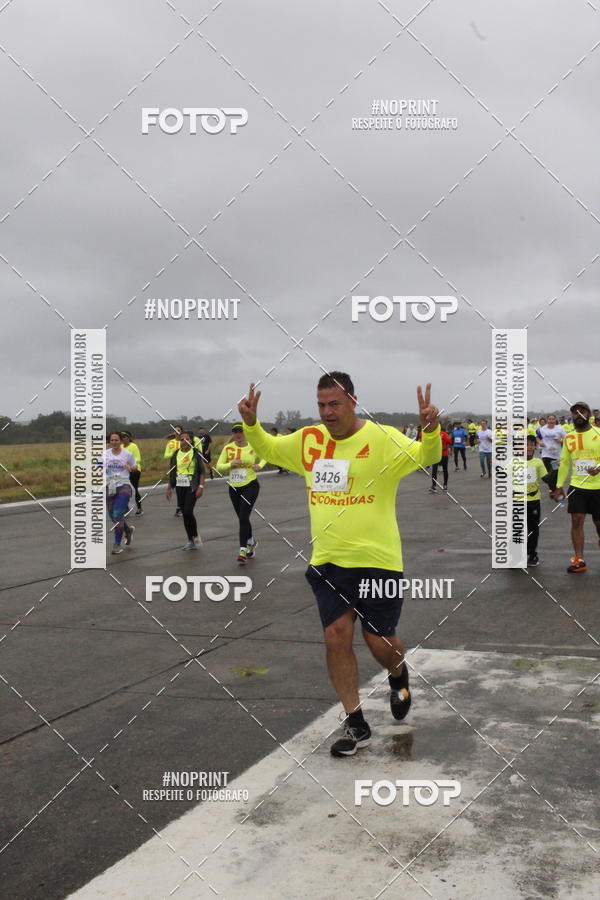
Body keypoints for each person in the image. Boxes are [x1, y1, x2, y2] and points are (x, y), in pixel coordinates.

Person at [238, 373, 441, 757]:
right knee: (336, 635)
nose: (327, 412)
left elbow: (426, 456)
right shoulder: (310, 440)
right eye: (321, 405)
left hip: (378, 561)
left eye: (334, 404)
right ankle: (356, 721)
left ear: (352, 402)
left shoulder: (380, 439)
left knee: (379, 641)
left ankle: (398, 674)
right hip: (329, 560)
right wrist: (252, 425)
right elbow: (269, 447)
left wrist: (430, 430)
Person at [552, 402, 600, 573]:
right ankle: (579, 560)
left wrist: (599, 468)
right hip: (577, 486)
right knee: (576, 520)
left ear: (588, 414)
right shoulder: (569, 437)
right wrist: (558, 486)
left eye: (582, 412)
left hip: (598, 487)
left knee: (598, 523)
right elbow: (564, 464)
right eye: (574, 413)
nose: (578, 415)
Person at [216, 424, 266, 564]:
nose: (238, 434)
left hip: (250, 485)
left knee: (244, 516)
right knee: (242, 519)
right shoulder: (228, 448)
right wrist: (230, 464)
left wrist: (259, 466)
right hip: (234, 487)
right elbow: (219, 465)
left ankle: (242, 550)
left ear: (245, 433)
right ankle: (251, 541)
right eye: (235, 432)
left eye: (240, 431)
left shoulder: (252, 446)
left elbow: (265, 457)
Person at [166, 431, 205, 549]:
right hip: (180, 486)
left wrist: (201, 487)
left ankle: (196, 536)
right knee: (184, 514)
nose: (185, 441)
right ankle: (190, 540)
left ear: (191, 440)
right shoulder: (176, 454)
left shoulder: (196, 453)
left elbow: (202, 472)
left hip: (192, 486)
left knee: (188, 511)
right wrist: (169, 487)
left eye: (187, 439)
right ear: (179, 441)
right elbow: (173, 472)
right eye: (182, 439)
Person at [99, 432, 137, 554]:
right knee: (113, 516)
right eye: (112, 440)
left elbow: (135, 466)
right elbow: (98, 466)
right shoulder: (104, 454)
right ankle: (128, 530)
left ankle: (117, 544)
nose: (114, 442)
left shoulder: (127, 454)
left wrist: (130, 468)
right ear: (109, 442)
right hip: (109, 486)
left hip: (124, 485)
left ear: (121, 441)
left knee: (118, 514)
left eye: (116, 440)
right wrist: (102, 469)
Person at [523, 435, 548, 567]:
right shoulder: (512, 462)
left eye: (531, 444)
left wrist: (556, 468)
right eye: (526, 444)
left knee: (533, 529)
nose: (529, 447)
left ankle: (532, 554)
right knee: (517, 529)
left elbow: (546, 478)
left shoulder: (538, 462)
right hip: (517, 500)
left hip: (533, 500)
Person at [120, 431, 143, 515]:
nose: (123, 439)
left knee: (133, 489)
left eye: (124, 437)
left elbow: (138, 459)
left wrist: (129, 463)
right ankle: (126, 508)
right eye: (121, 437)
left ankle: (139, 508)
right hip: (124, 472)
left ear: (129, 438)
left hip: (135, 470)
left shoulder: (133, 446)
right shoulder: (121, 447)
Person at [430, 426, 452, 492]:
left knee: (436, 470)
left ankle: (437, 486)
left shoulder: (437, 433)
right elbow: (450, 442)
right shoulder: (441, 434)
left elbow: (450, 441)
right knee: (441, 470)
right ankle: (441, 485)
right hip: (440, 454)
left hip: (440, 454)